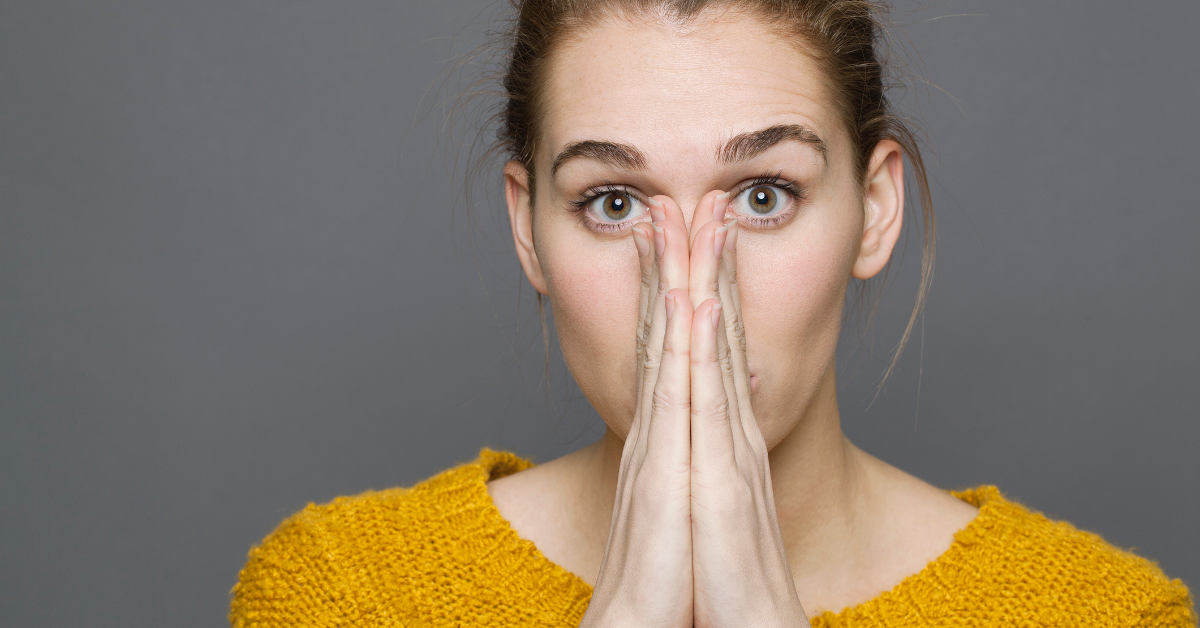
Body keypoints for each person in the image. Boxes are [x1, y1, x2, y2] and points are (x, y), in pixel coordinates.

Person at [229, 1, 1196, 626]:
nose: (692, 288)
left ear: (877, 208)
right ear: (529, 230)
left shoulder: (1106, 616)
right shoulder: (341, 596)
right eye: (614, 203)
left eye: (764, 196)